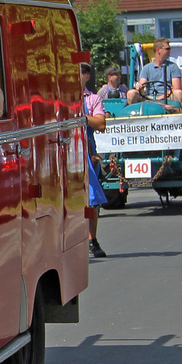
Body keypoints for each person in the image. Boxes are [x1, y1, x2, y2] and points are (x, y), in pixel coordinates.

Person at [81, 63, 108, 257]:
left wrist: (80, 117)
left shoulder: (93, 98)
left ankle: (92, 240)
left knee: (91, 199)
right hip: (62, 149)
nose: (77, 75)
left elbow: (100, 124)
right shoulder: (62, 98)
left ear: (87, 75)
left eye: (81, 72)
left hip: (86, 151)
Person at [127, 37, 182, 109]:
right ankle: (133, 116)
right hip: (150, 97)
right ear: (158, 50)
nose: (170, 51)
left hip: (168, 96)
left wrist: (164, 95)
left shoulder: (173, 67)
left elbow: (176, 87)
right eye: (167, 49)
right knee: (131, 93)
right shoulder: (147, 68)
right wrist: (140, 87)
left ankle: (181, 115)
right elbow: (142, 83)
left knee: (178, 93)